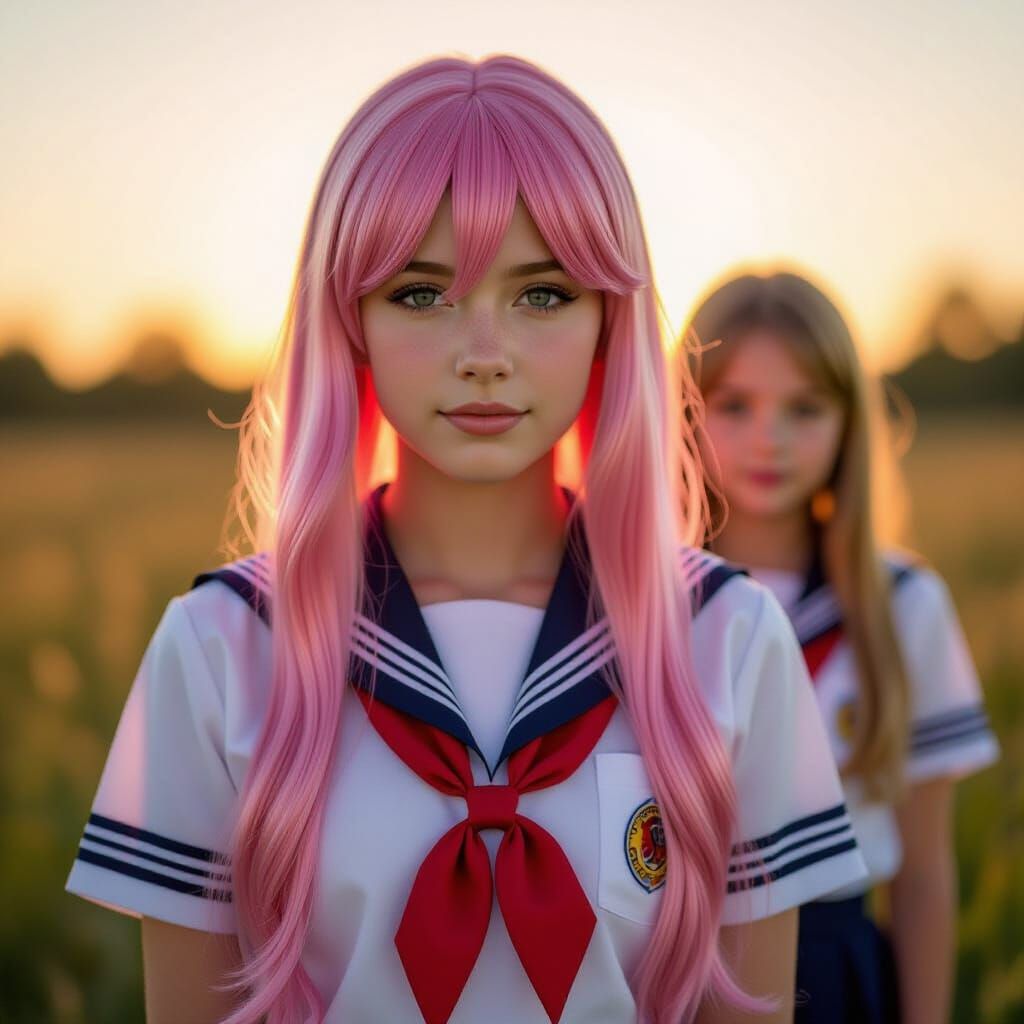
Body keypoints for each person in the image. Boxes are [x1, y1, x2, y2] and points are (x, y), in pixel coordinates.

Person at [66, 59, 868, 1024]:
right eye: (418, 292)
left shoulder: (731, 639)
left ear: (611, 320)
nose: (483, 351)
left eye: (543, 295)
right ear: (348, 319)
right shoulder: (219, 648)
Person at [686, 270, 1000, 1024]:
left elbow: (924, 872)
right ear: (682, 416)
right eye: (734, 406)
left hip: (837, 965)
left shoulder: (902, 605)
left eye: (805, 407)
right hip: (678, 959)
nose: (771, 437)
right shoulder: (648, 600)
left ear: (850, 422)